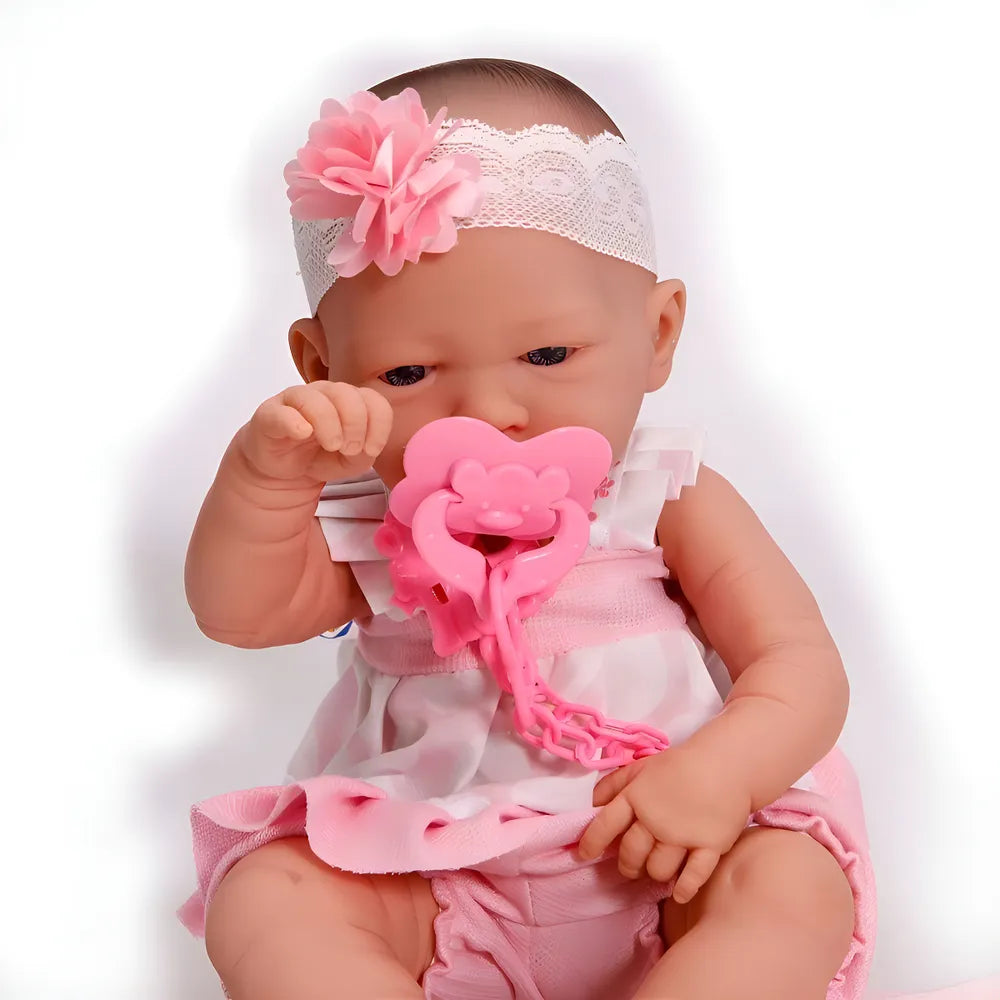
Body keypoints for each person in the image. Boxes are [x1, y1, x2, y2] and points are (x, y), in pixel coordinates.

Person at [179, 57, 875, 1000]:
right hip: (433, 872)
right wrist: (265, 483)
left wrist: (721, 777)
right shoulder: (371, 514)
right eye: (408, 374)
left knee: (789, 882)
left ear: (659, 332)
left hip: (662, 856)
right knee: (269, 893)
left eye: (548, 354)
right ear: (321, 365)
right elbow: (242, 614)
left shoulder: (663, 495)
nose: (492, 411)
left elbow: (798, 664)